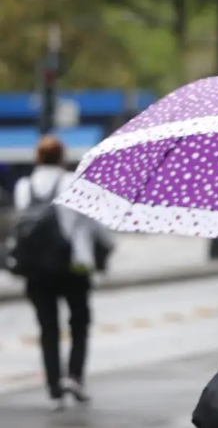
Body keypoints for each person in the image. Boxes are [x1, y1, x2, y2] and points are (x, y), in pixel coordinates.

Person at [13, 135, 112, 409]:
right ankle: (74, 377)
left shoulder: (24, 186)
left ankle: (54, 387)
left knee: (48, 328)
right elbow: (93, 223)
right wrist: (107, 247)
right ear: (62, 157)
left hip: (35, 269)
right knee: (79, 323)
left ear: (38, 158)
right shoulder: (73, 183)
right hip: (73, 266)